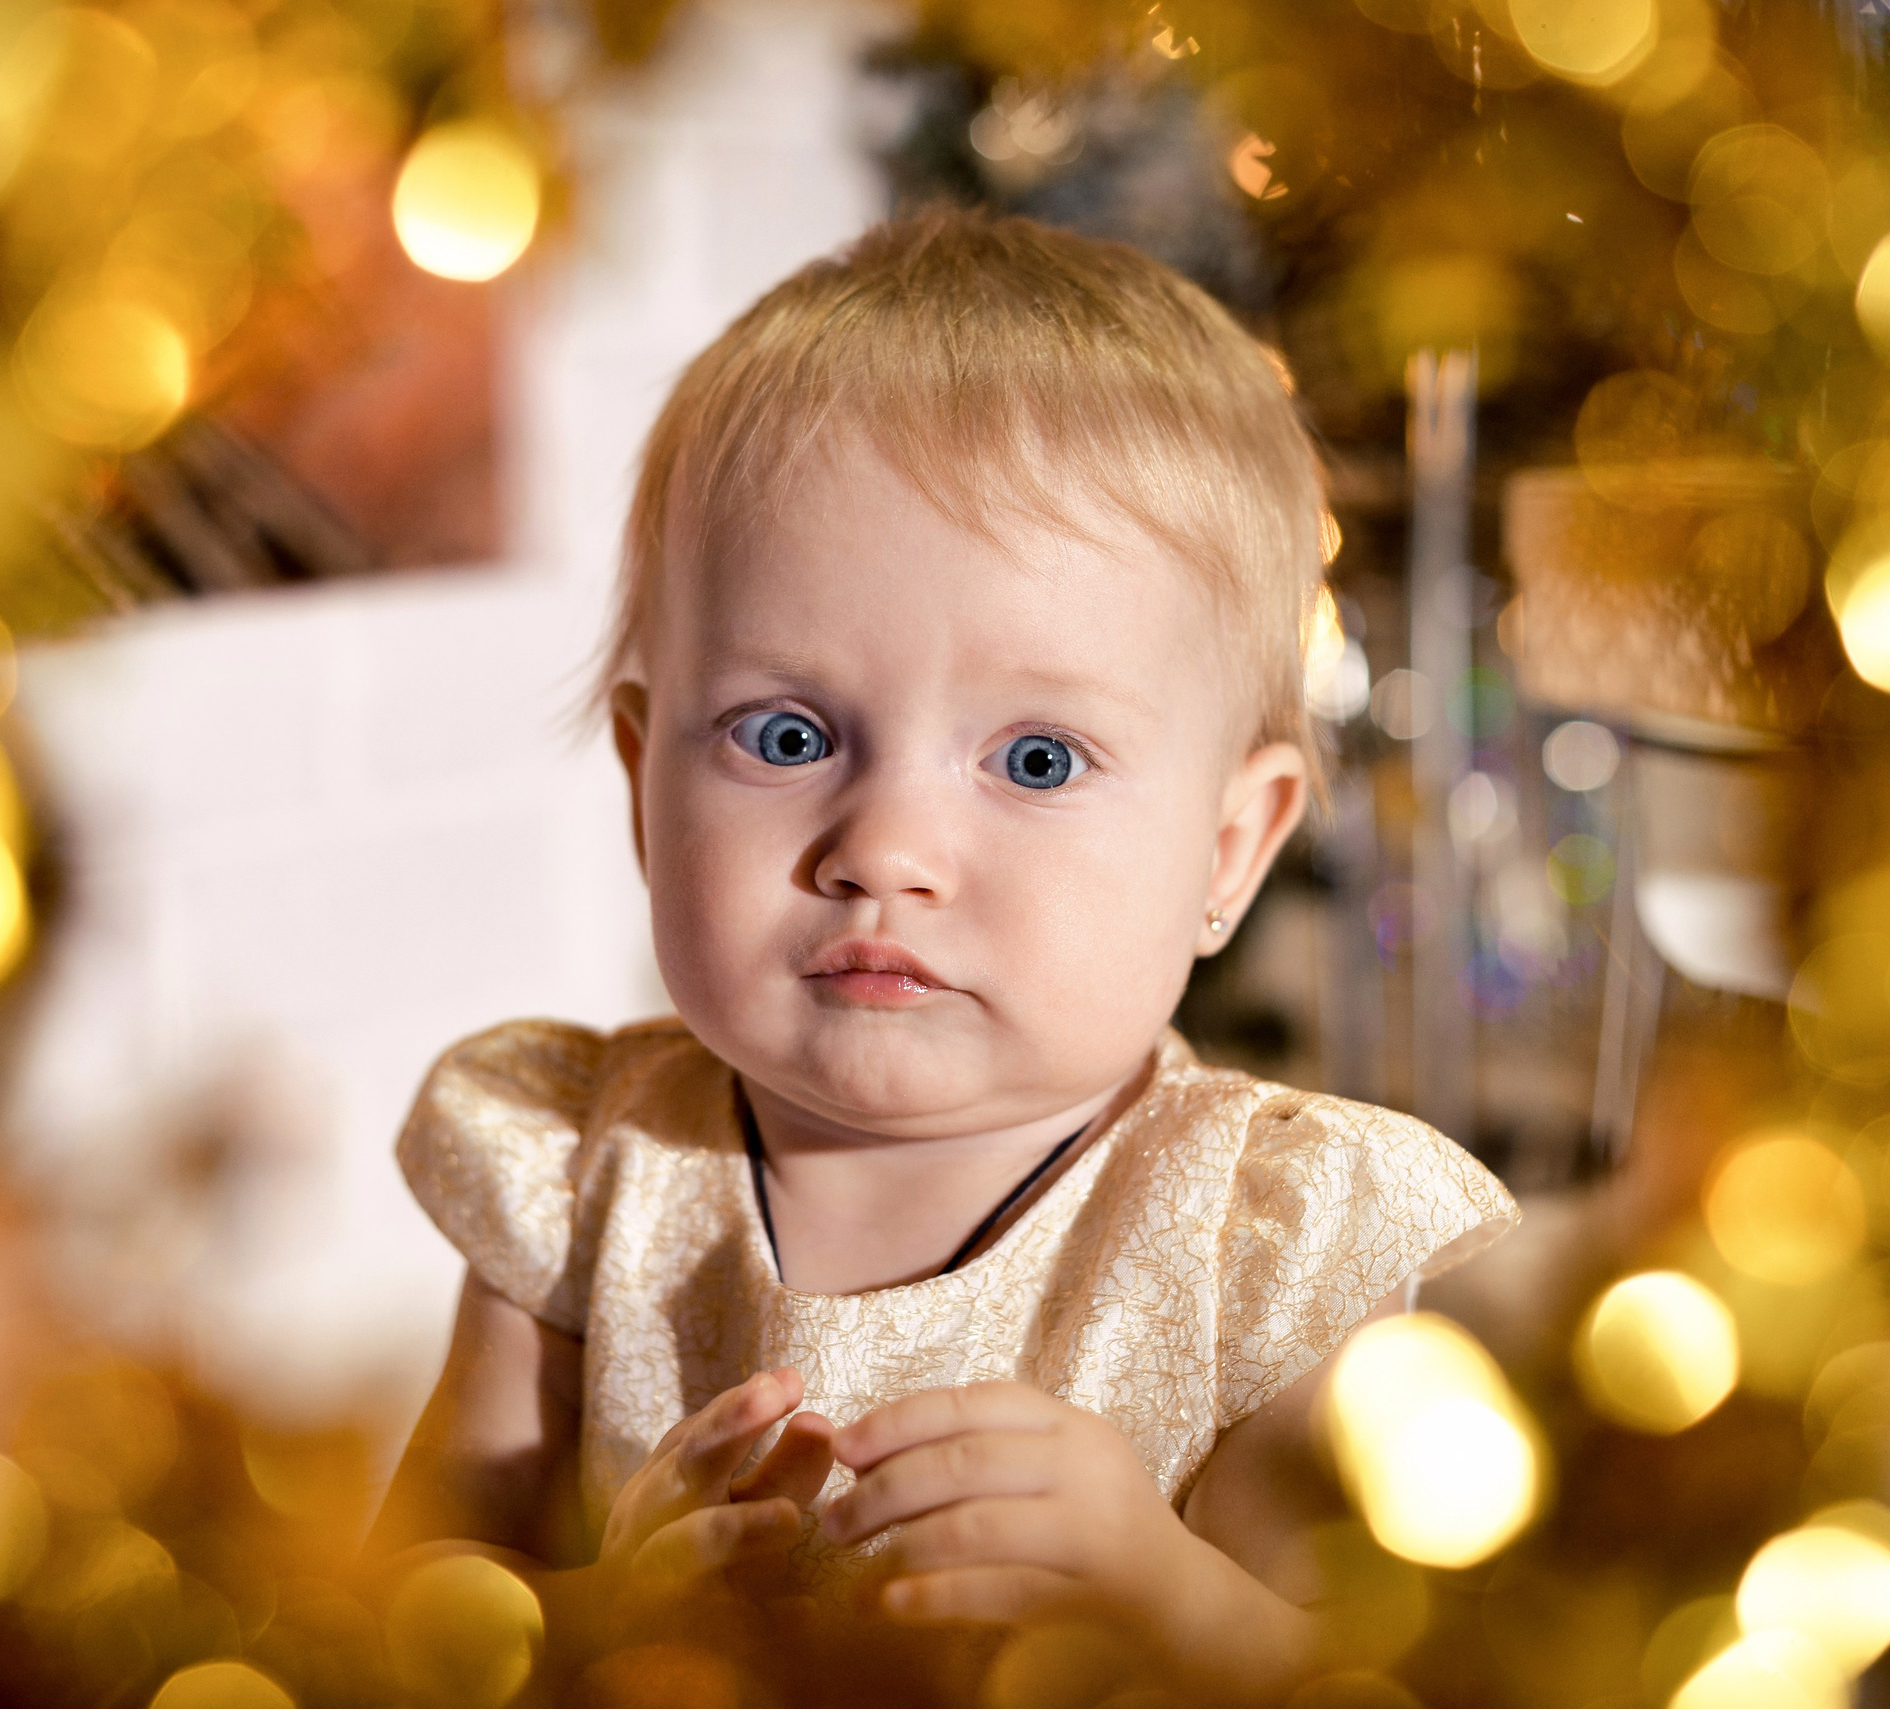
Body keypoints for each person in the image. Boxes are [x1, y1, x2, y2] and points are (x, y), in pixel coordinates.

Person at [369, 209, 1515, 1701]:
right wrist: (588, 1622)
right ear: (647, 787)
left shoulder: (1260, 1243)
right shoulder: (582, 1172)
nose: (884, 844)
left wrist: (1166, 1596)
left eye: (1036, 758)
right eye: (787, 736)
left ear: (1232, 848)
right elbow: (390, 1611)